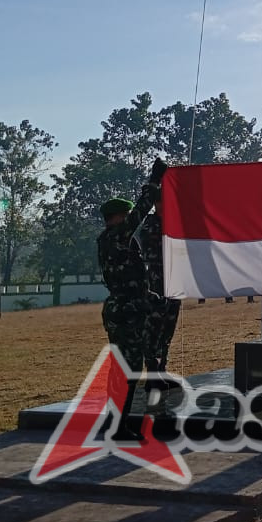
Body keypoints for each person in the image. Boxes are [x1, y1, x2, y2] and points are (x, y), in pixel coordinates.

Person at [98, 170, 162, 442]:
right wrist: (154, 182)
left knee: (121, 370)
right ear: (116, 217)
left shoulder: (112, 239)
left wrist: (148, 295)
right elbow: (141, 212)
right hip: (126, 312)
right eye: (124, 216)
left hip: (124, 307)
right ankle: (119, 427)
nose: (128, 219)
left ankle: (115, 422)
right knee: (128, 371)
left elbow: (130, 276)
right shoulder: (116, 235)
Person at [137, 202, 182, 377]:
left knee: (169, 325)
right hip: (157, 282)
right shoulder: (150, 225)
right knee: (155, 326)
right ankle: (152, 368)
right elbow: (150, 253)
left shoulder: (174, 222)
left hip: (174, 281)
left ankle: (162, 365)